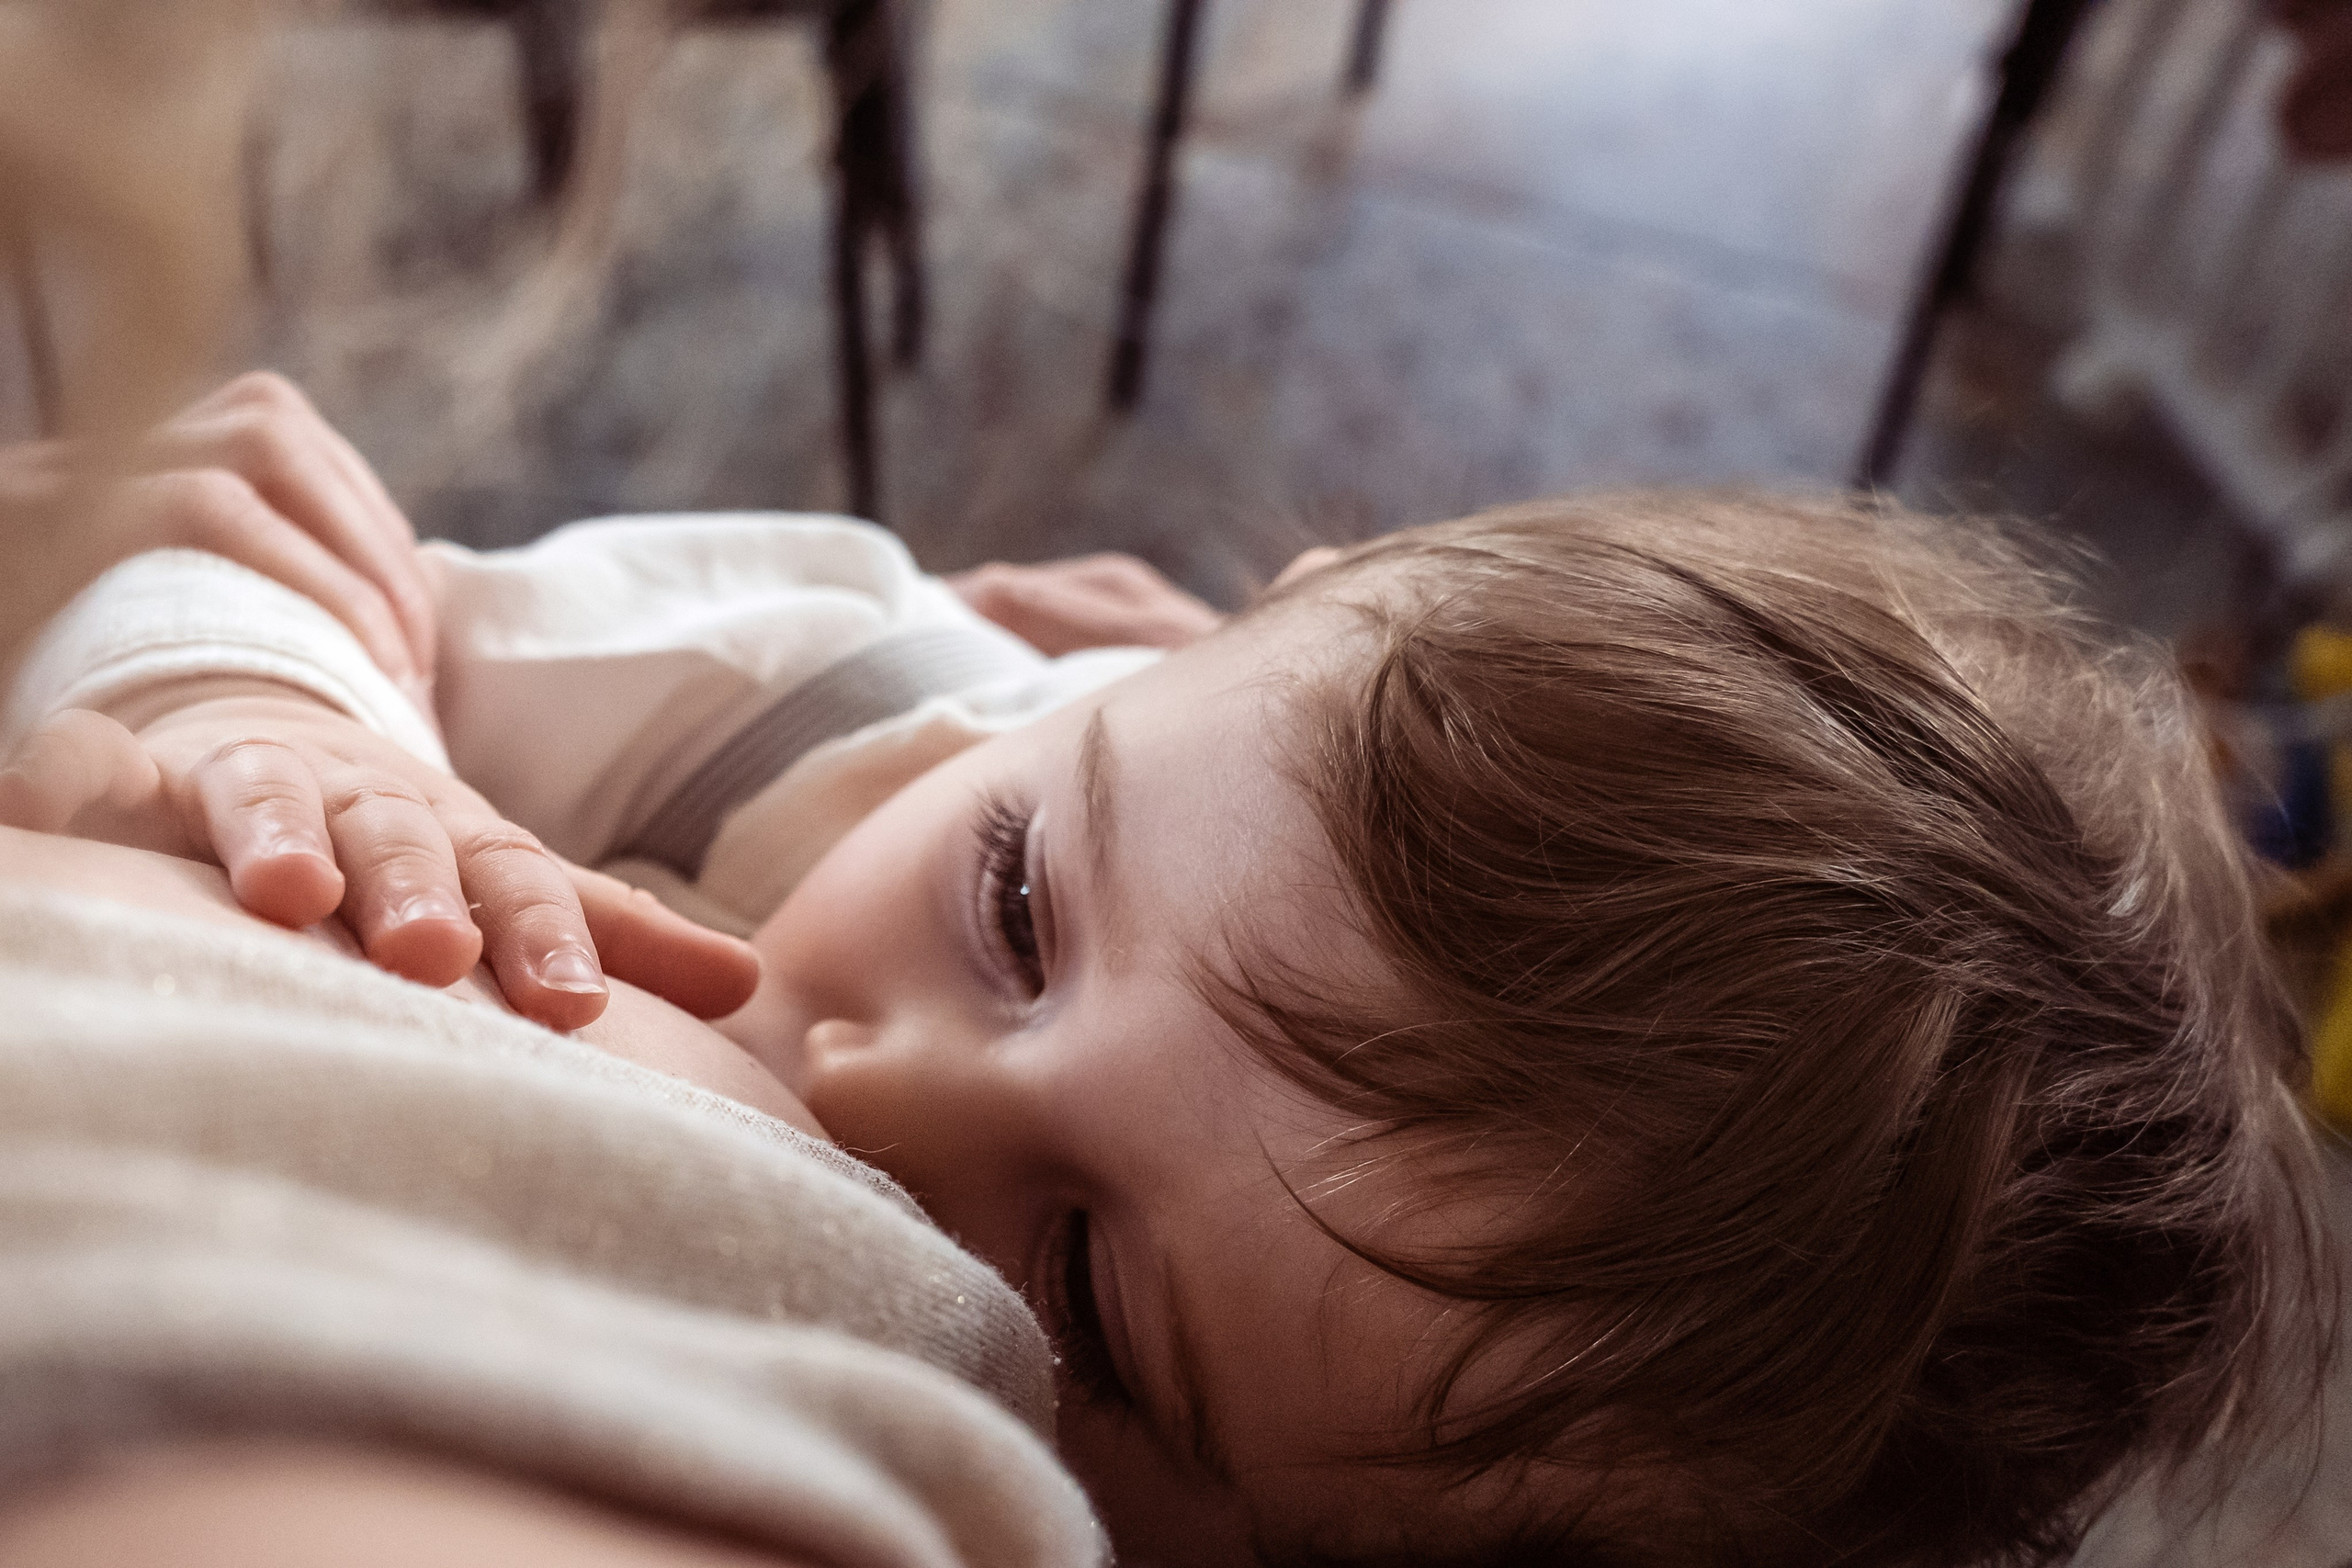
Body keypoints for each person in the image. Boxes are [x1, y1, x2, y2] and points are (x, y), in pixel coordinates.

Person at [1, 376, 2340, 1568]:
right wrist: (258, 710)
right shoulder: (826, 677)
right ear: (1250, 622)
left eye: (1091, 1302)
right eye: (1014, 906)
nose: (872, 1078)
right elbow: (282, 565)